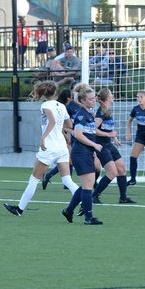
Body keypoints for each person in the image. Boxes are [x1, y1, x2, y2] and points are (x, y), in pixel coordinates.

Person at [4, 81, 79, 217]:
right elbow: (69, 124)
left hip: (49, 148)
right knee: (67, 180)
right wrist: (63, 134)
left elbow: (52, 121)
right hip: (61, 147)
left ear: (43, 93)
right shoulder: (62, 106)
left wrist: (43, 137)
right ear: (55, 92)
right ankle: (84, 203)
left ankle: (19, 209)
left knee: (34, 179)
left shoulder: (45, 105)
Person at [61, 83, 104, 225]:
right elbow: (78, 135)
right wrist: (94, 145)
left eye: (94, 98)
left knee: (87, 184)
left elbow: (89, 133)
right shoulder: (81, 115)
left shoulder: (89, 114)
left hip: (86, 152)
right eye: (90, 99)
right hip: (80, 152)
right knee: (87, 186)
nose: (93, 101)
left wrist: (92, 149)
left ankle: (69, 210)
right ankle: (88, 217)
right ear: (82, 100)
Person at [89, 88, 136, 204]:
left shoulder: (107, 110)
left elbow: (107, 128)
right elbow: (93, 129)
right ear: (107, 98)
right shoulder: (100, 112)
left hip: (108, 144)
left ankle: (123, 198)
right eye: (111, 94)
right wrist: (109, 134)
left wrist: (114, 138)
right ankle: (94, 196)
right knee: (112, 172)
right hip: (101, 145)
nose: (113, 96)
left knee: (121, 169)